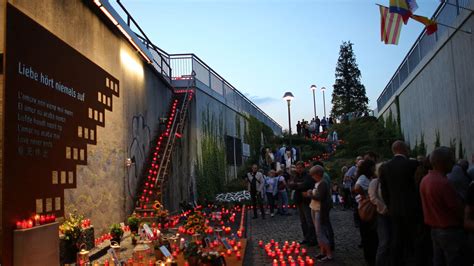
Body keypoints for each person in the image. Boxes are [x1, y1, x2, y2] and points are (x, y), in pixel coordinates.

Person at [420, 147, 468, 266]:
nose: (454, 163)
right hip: (450, 232)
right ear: (443, 162)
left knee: (438, 261)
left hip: (434, 230)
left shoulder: (425, 180)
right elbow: (457, 208)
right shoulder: (443, 183)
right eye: (451, 160)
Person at [379, 141, 420, 265]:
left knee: (397, 238)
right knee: (413, 238)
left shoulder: (386, 167)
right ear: (404, 149)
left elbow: (384, 190)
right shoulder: (412, 164)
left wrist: (390, 205)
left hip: (395, 208)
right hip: (412, 207)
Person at [354, 160, 378, 266]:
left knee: (370, 235)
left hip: (369, 209)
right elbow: (357, 187)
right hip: (365, 209)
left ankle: (371, 255)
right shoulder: (363, 177)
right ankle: (369, 258)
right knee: (367, 234)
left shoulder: (369, 177)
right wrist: (364, 195)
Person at [288, 161, 317, 246]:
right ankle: (306, 237)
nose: (299, 169)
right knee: (303, 221)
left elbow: (306, 185)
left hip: (306, 201)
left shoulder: (308, 176)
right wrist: (298, 185)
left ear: (303, 168)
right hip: (299, 200)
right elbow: (290, 185)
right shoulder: (296, 176)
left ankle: (312, 239)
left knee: (309, 221)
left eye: (300, 168)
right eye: (297, 168)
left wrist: (296, 185)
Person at [308, 165, 333, 262]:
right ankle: (322, 252)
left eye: (313, 175)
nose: (312, 177)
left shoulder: (323, 183)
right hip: (314, 208)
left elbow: (320, 198)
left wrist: (311, 195)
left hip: (319, 210)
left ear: (318, 174)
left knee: (320, 232)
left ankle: (329, 254)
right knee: (318, 232)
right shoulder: (317, 183)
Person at [368, 163, 390, 266]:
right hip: (381, 213)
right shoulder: (375, 182)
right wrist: (384, 208)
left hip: (393, 214)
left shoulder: (390, 180)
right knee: (384, 242)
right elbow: (373, 198)